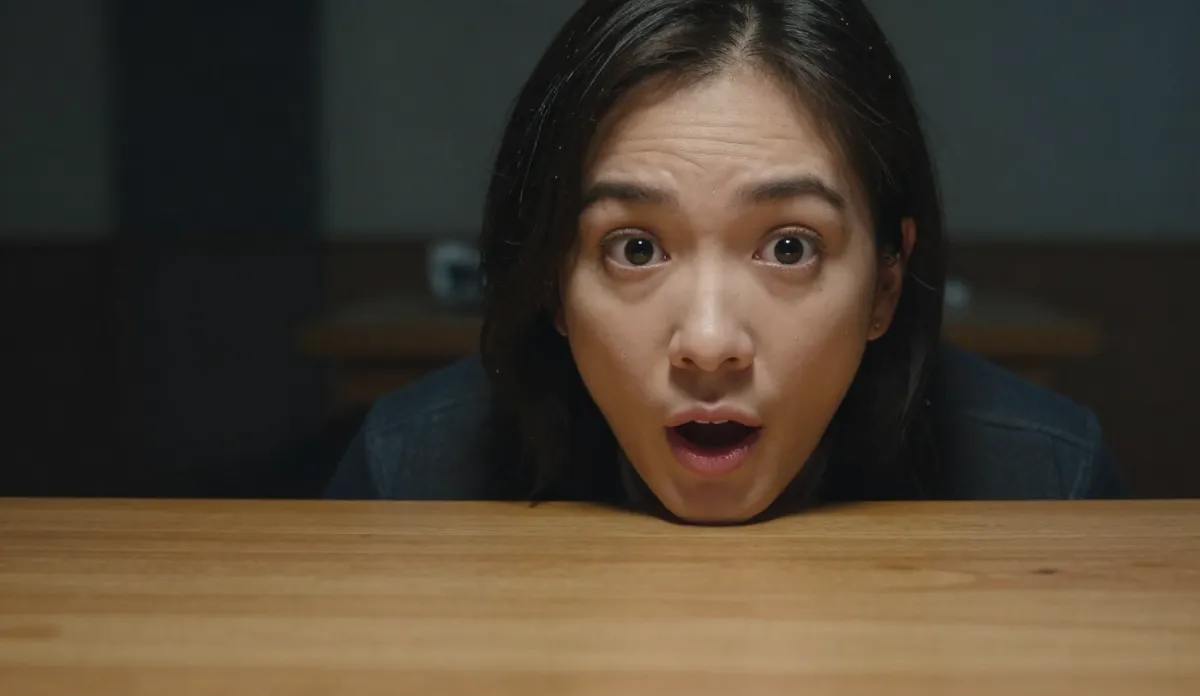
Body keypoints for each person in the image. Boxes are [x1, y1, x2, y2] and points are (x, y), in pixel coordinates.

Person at [326, 0, 1126, 523]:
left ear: (886, 282)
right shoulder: (412, 474)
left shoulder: (1045, 483)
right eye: (635, 249)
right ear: (554, 285)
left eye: (789, 247)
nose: (709, 344)